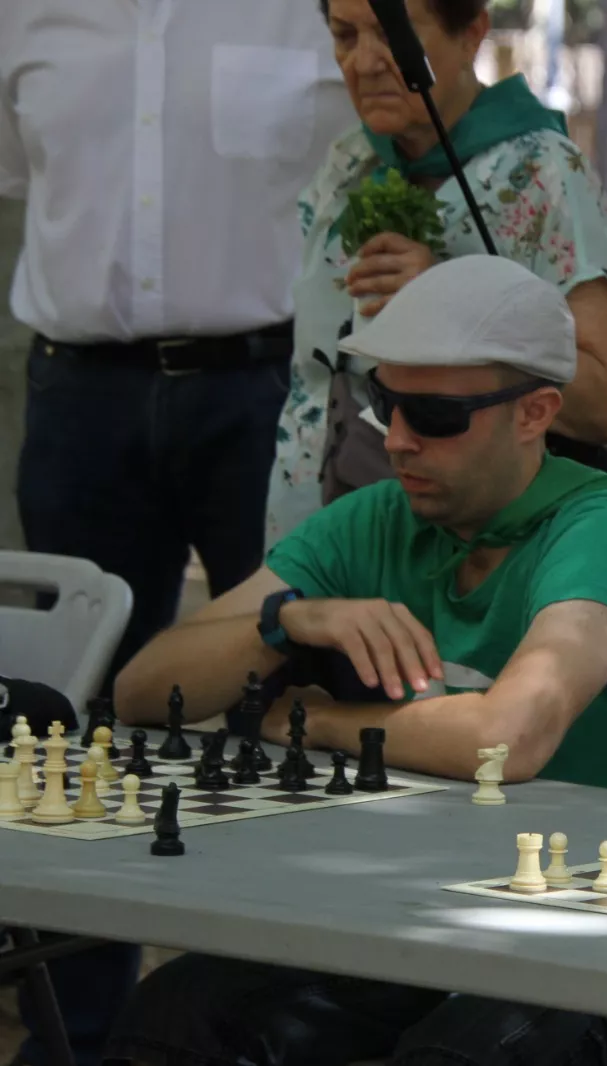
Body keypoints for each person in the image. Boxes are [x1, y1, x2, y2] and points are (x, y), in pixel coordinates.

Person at [106, 256, 607, 1066]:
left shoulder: (600, 531)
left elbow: (508, 741)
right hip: (458, 920)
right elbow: (140, 690)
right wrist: (286, 619)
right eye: (384, 403)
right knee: (177, 1016)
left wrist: (319, 719)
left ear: (535, 412)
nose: (399, 439)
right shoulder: (375, 518)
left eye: (437, 416)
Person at [0, 5, 352, 1064]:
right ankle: (77, 1034)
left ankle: (275, 1018)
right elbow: (25, 180)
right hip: (79, 392)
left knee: (289, 693)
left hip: (267, 391)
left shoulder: (308, 15)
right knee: (72, 725)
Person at [267, 0, 607, 546]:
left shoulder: (541, 174)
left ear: (472, 33)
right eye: (344, 35)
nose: (364, 61)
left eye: (391, 33)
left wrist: (448, 300)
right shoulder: (349, 164)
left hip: (469, 559)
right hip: (322, 532)